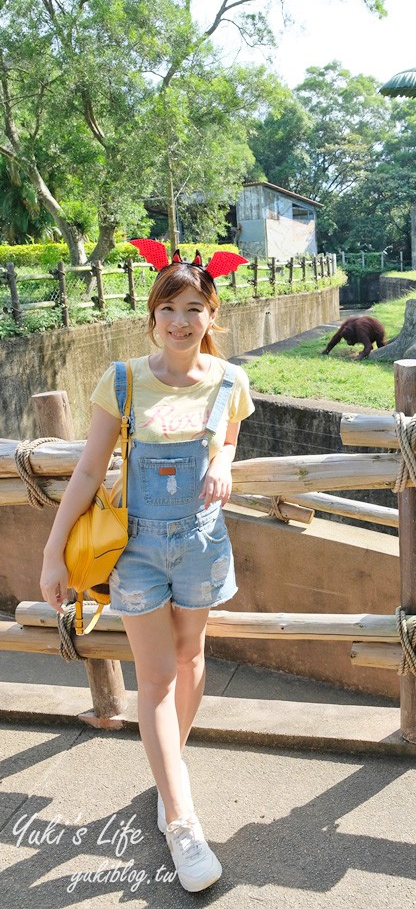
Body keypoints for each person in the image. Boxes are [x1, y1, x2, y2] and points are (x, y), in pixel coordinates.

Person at [40, 249, 254, 893]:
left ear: (210, 314)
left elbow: (230, 439)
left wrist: (224, 464)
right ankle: (183, 821)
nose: (180, 321)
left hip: (201, 542)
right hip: (132, 551)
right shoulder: (125, 380)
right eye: (168, 308)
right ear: (152, 316)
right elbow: (85, 470)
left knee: (191, 661)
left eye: (193, 309)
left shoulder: (230, 381)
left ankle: (169, 783)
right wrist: (53, 553)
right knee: (157, 678)